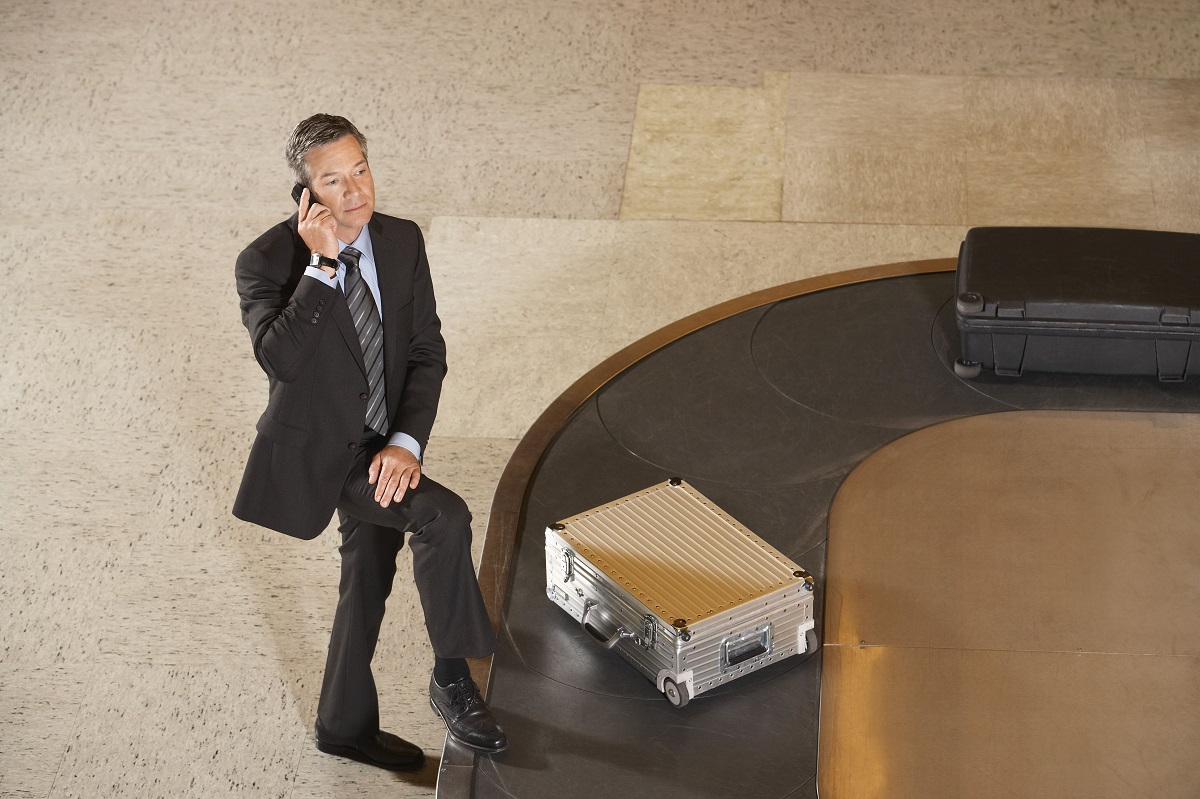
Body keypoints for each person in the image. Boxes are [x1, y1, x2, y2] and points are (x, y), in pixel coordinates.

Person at [232, 114, 507, 771]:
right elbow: (282, 361)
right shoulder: (265, 262)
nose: (355, 191)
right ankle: (453, 679)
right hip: (324, 456)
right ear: (306, 194)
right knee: (442, 515)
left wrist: (407, 441)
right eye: (334, 180)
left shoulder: (401, 240)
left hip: (387, 443)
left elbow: (426, 350)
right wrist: (323, 265)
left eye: (361, 169)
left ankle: (342, 726)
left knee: (367, 577)